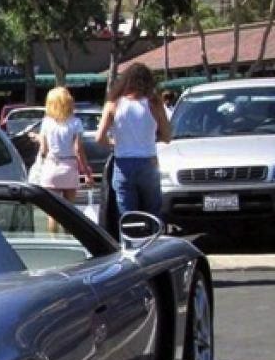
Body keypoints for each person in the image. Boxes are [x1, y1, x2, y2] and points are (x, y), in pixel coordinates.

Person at [96, 63, 172, 220]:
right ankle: (152, 234)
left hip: (123, 163)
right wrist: (151, 137)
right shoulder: (154, 103)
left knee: (127, 216)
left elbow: (99, 138)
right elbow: (167, 136)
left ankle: (130, 235)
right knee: (152, 212)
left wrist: (115, 142)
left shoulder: (113, 104)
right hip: (148, 161)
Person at [31, 87, 92, 233]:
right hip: (69, 167)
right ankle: (68, 238)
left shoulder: (46, 122)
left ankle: (53, 240)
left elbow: (44, 149)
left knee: (53, 213)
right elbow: (78, 150)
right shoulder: (75, 123)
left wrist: (38, 140)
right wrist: (86, 172)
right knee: (69, 211)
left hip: (51, 167)